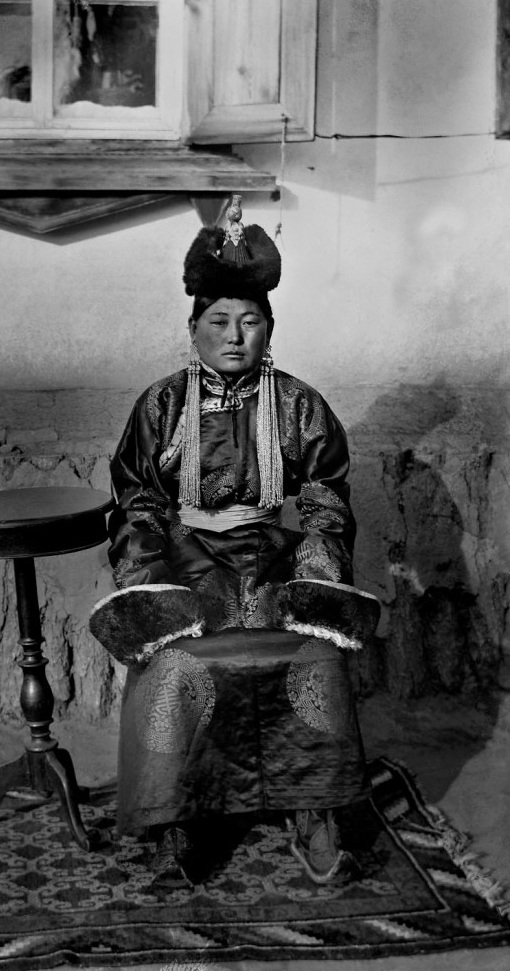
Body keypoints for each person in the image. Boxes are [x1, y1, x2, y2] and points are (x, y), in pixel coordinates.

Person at [104, 197, 369, 889]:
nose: (233, 336)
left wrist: (315, 568)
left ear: (269, 329)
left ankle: (313, 808)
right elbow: (138, 500)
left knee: (312, 652)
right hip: (189, 556)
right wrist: (151, 577)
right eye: (218, 321)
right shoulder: (161, 406)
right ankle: (187, 811)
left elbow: (326, 499)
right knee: (179, 658)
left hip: (272, 553)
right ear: (192, 328)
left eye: (250, 322)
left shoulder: (299, 403)